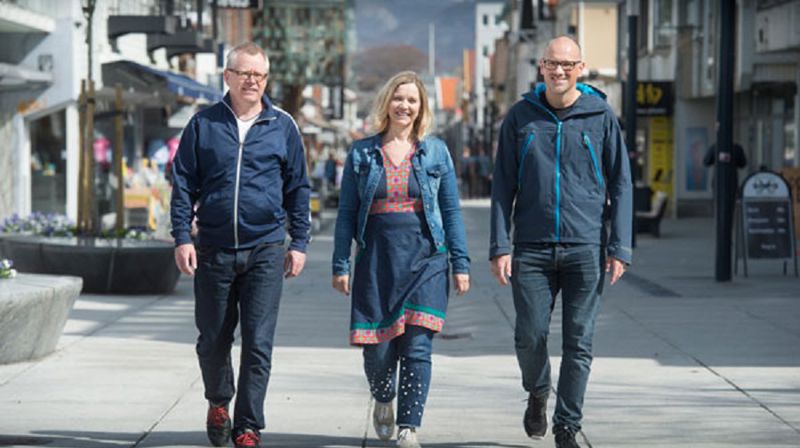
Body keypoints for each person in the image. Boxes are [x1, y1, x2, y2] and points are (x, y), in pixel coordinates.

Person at [489, 36, 632, 448]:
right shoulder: (520, 117)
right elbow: (501, 185)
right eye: (552, 63)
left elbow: (621, 184)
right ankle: (537, 392)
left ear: (581, 68)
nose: (559, 70)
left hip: (585, 246)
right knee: (529, 335)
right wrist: (500, 245)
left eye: (567, 64)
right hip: (531, 247)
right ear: (541, 67)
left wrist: (619, 246)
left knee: (579, 341)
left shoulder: (601, 116)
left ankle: (567, 424)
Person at [170, 42, 310, 448]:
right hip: (213, 247)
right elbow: (182, 184)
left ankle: (248, 427)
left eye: (260, 75)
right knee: (212, 337)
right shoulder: (203, 124)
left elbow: (298, 188)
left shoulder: (283, 125)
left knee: (258, 341)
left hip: (266, 247)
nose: (253, 81)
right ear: (227, 77)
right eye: (245, 73)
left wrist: (298, 242)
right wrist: (182, 237)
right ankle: (218, 400)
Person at [332, 71, 470, 448]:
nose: (404, 106)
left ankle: (409, 427)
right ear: (386, 103)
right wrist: (341, 264)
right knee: (377, 352)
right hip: (377, 260)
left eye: (412, 100)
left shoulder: (436, 151)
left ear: (421, 107)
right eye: (398, 98)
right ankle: (382, 396)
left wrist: (460, 263)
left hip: (427, 258)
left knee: (417, 347)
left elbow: (451, 211)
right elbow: (346, 213)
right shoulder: (362, 153)